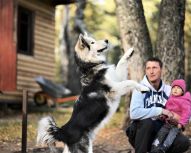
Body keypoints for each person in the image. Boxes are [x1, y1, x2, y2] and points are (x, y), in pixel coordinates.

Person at [126, 57, 190, 153]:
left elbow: (187, 112)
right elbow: (134, 113)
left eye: (154, 68)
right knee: (147, 122)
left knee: (183, 142)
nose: (151, 71)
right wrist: (160, 110)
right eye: (148, 68)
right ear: (145, 71)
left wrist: (177, 118)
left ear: (161, 70)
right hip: (140, 133)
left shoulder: (169, 90)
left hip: (161, 133)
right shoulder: (139, 88)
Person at [150, 79, 191, 153]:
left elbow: (186, 113)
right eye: (174, 87)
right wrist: (164, 116)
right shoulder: (170, 99)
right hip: (167, 123)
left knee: (171, 136)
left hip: (176, 125)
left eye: (178, 88)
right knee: (161, 133)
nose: (175, 89)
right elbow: (167, 109)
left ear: (182, 91)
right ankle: (155, 147)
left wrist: (181, 123)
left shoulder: (185, 101)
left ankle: (164, 148)